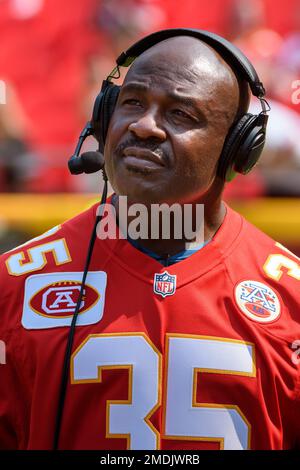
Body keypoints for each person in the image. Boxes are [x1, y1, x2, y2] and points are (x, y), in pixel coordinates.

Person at [0, 29, 299, 451]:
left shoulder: (291, 299)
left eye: (180, 114)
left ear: (237, 149)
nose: (143, 126)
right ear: (104, 118)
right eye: (132, 102)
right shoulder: (13, 287)